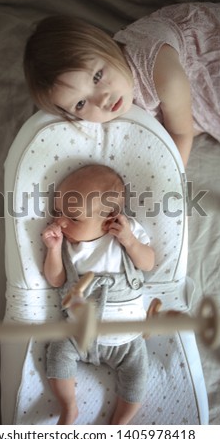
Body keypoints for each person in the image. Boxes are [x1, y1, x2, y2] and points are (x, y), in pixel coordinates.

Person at [23, 3, 220, 167]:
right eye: (80, 103)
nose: (101, 100)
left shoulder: (162, 74)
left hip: (218, 63)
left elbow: (181, 133)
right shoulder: (114, 86)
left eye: (97, 77)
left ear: (107, 46)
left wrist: (172, 189)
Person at [41, 164, 155, 425]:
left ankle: (119, 423)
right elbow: (57, 279)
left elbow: (148, 263)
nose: (60, 221)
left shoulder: (127, 233)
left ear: (109, 218)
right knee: (57, 355)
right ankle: (69, 407)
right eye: (58, 212)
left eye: (73, 218)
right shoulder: (69, 246)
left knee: (138, 377)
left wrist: (131, 242)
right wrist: (53, 250)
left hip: (127, 340)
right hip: (77, 335)